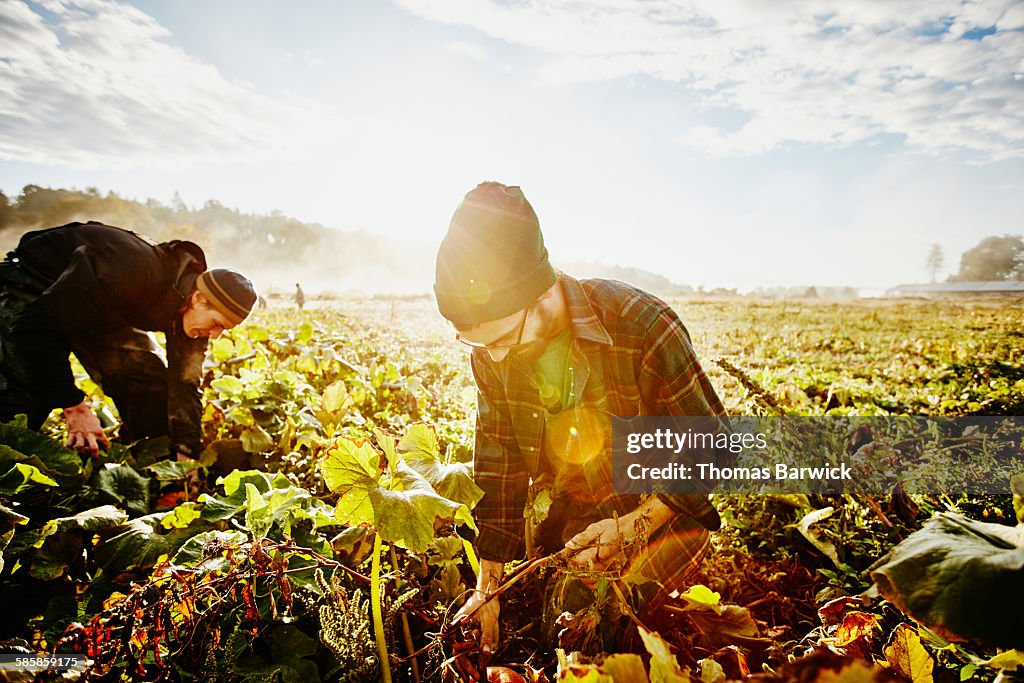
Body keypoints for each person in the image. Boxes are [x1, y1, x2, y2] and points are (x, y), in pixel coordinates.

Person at [433, 182, 727, 663]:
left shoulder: (641, 322)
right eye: (479, 345)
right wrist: (490, 583)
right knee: (550, 614)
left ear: (541, 291)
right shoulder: (493, 355)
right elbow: (499, 457)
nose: (496, 356)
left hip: (661, 515)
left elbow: (713, 447)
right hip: (572, 512)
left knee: (590, 620)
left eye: (505, 337)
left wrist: (633, 525)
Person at [0, 221, 256, 460]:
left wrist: (186, 454)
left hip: (101, 309)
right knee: (25, 397)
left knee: (148, 381)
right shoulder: (134, 269)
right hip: (34, 288)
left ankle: (151, 464)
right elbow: (34, 327)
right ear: (199, 298)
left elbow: (185, 384)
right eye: (217, 324)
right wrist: (74, 407)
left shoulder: (191, 318)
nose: (215, 335)